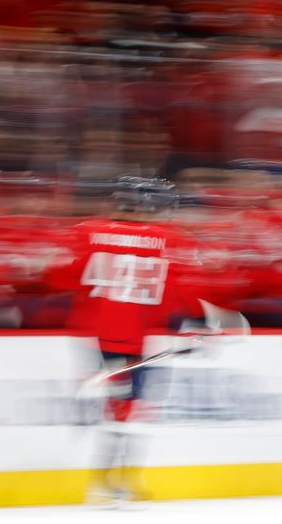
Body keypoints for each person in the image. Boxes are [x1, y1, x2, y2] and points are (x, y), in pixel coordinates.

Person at [47, 176, 211, 505]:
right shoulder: (171, 239)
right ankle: (113, 483)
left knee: (117, 409)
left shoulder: (86, 231)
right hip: (138, 339)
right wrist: (198, 325)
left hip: (94, 336)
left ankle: (109, 482)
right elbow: (184, 293)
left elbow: (57, 277)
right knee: (127, 411)